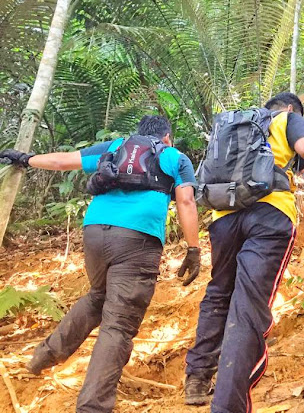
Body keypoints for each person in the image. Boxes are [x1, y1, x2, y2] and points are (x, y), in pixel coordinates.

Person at [0, 115, 201, 413]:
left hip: (95, 231)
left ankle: (45, 355)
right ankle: (93, 407)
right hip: (137, 238)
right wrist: (194, 248)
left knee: (98, 296)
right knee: (119, 324)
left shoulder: (115, 147)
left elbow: (63, 162)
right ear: (167, 136)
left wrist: (25, 159)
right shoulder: (173, 156)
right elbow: (185, 201)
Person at [184, 92, 304, 412]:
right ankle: (228, 405)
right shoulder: (287, 120)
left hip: (223, 218)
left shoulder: (237, 126)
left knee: (218, 294)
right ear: (292, 109)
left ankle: (197, 378)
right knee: (248, 308)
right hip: (269, 218)